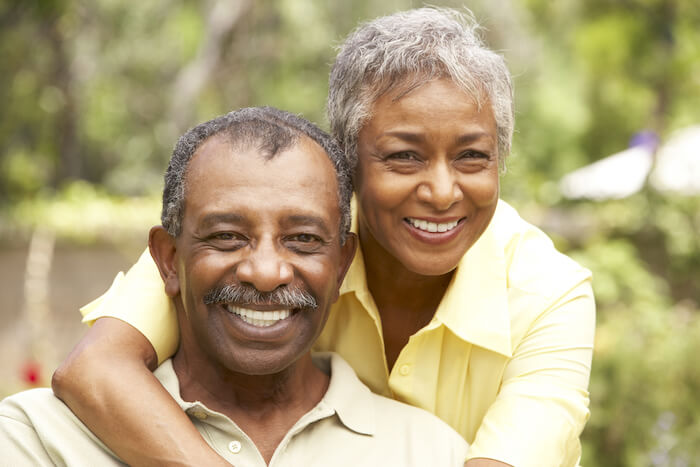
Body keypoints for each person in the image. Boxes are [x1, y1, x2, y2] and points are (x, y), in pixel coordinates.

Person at [52, 8, 595, 467]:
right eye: (404, 155)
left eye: (472, 156)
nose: (442, 191)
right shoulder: (260, 247)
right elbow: (95, 368)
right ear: (345, 163)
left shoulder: (548, 295)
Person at [0, 107, 470, 466]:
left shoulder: (429, 452)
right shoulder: (38, 439)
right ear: (167, 258)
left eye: (303, 239)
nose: (265, 273)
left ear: (343, 262)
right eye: (227, 236)